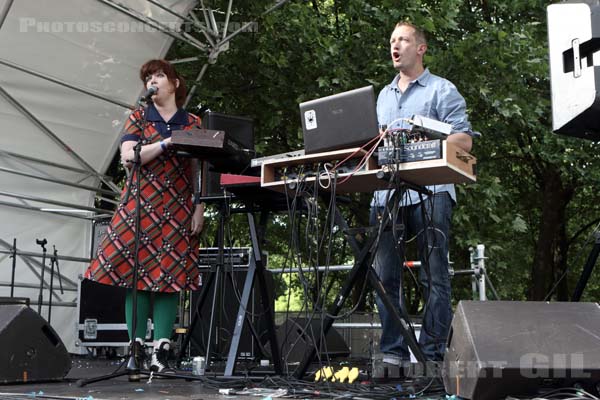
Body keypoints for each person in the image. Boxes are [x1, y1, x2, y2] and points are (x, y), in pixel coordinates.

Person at [86, 59, 205, 375]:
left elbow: (201, 170)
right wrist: (166, 143)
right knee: (134, 278)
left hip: (179, 208)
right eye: (148, 77)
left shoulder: (192, 123)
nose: (152, 81)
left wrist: (200, 207)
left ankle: (160, 354)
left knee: (170, 280)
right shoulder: (139, 117)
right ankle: (134, 350)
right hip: (140, 208)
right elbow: (128, 156)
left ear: (175, 83)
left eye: (159, 75)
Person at [370, 22, 474, 370]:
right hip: (386, 196)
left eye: (402, 39)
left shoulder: (442, 90)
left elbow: (464, 141)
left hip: (432, 193)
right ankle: (393, 353)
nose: (394, 45)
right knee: (385, 277)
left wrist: (426, 141)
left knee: (434, 276)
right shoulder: (383, 96)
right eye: (391, 40)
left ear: (421, 48)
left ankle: (431, 355)